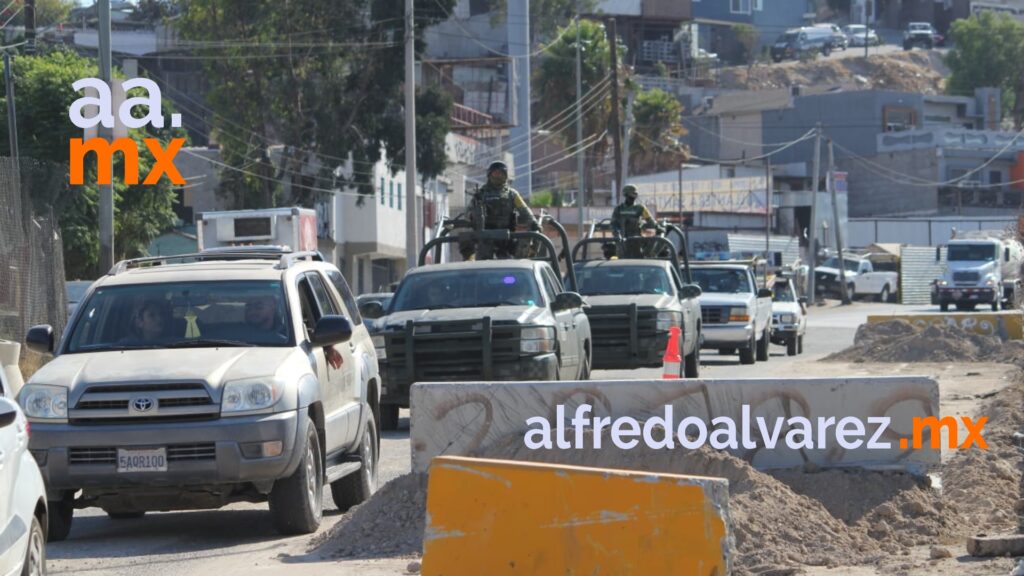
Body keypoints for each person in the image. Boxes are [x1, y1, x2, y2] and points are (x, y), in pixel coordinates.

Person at [460, 161, 540, 260]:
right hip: (485, 237)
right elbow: (467, 213)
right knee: (481, 260)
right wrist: (473, 215)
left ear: (505, 176)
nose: (498, 176)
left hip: (507, 237)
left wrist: (534, 222)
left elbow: (525, 211)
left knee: (524, 247)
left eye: (501, 174)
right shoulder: (480, 194)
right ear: (489, 175)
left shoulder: (512, 194)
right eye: (495, 173)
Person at [612, 185, 659, 258]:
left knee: (638, 258)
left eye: (635, 195)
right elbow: (613, 224)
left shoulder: (640, 208)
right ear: (626, 195)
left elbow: (650, 220)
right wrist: (617, 234)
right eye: (631, 195)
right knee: (622, 259)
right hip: (622, 241)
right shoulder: (619, 209)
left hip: (636, 240)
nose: (633, 197)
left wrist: (655, 226)